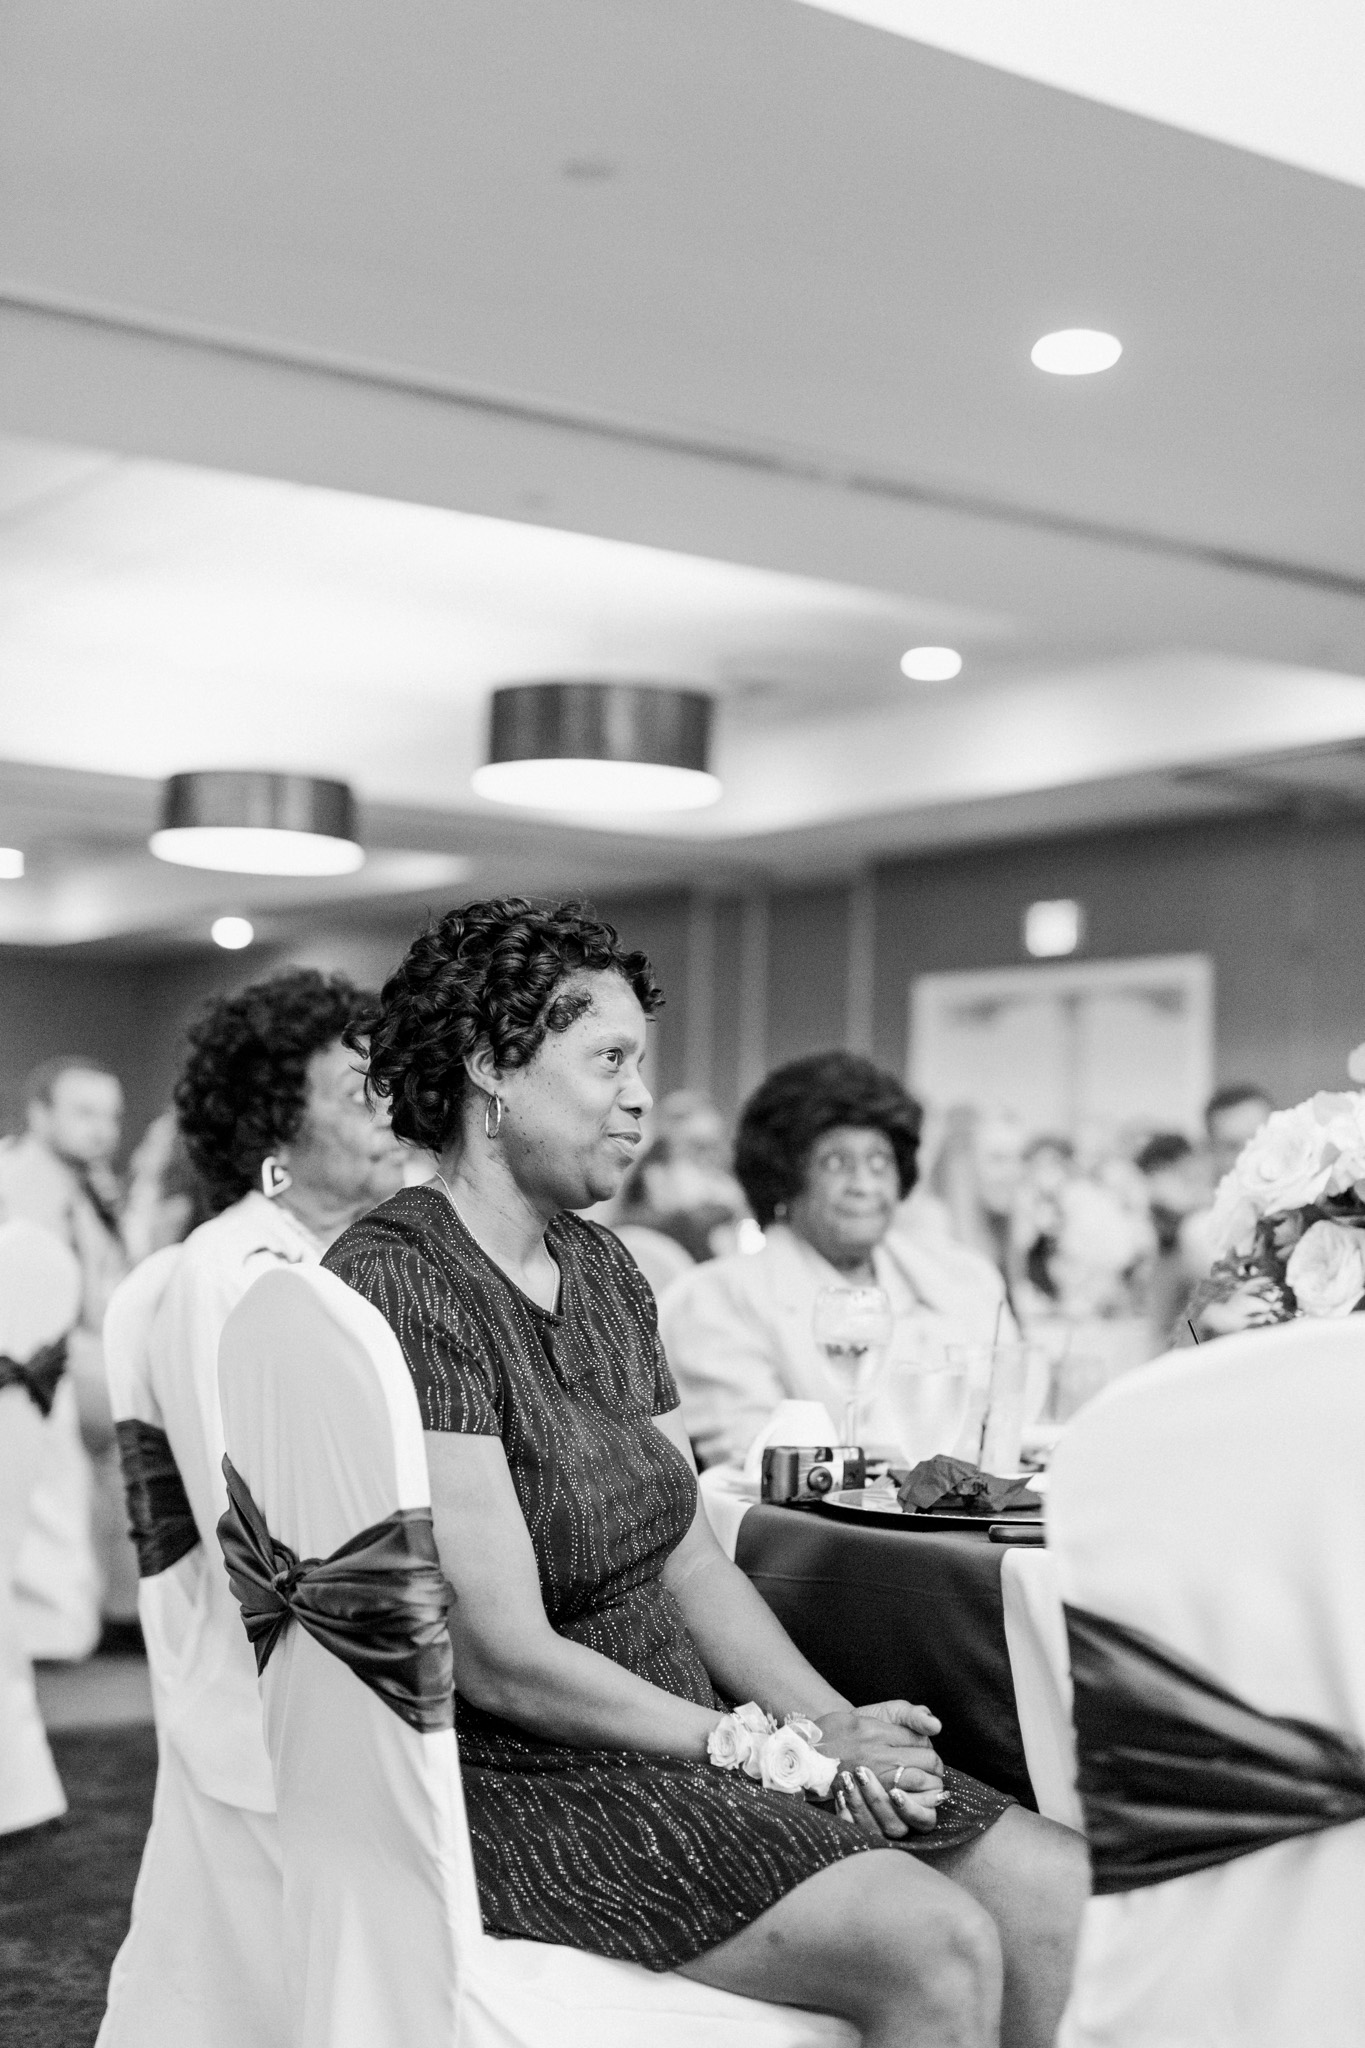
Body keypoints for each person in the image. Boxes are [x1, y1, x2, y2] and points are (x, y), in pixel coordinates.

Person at [325, 900, 1084, 2048]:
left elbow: (687, 1550)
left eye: (644, 1062)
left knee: (1054, 1889)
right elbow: (504, 1657)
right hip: (536, 1772)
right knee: (940, 1942)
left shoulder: (604, 1262)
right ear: (490, 1066)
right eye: (609, 1059)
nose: (640, 1095)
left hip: (696, 1724)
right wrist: (770, 1748)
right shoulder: (404, 1276)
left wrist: (828, 1720)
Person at [98, 969, 405, 2048]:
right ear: (279, 1119)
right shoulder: (235, 1271)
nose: (390, 1108)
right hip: (289, 1655)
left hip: (343, 1624)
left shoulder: (356, 1254)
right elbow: (272, 1519)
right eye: (359, 1091)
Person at [659, 1053, 1014, 1471]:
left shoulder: (965, 1277)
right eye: (836, 1163)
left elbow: (1009, 1424)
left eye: (879, 1161)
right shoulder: (715, 1300)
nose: (864, 1185)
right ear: (786, 1176)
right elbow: (762, 1461)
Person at [1, 1057, 134, 1647]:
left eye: (110, 1115)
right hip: (32, 1375)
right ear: (40, 1114)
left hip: (86, 1370)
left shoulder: (91, 1191)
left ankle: (98, 1621)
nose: (101, 1129)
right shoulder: (14, 1185)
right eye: (83, 1113)